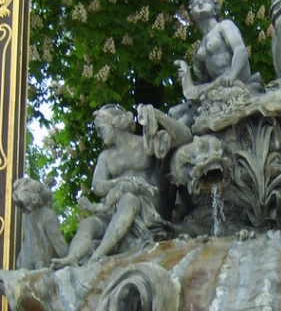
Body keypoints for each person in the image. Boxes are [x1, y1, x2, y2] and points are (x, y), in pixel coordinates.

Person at [52, 104, 190, 266]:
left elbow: (185, 138)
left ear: (115, 124)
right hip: (114, 208)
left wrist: (157, 115)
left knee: (129, 199)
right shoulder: (105, 157)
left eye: (101, 128)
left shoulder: (145, 143)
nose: (98, 134)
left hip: (147, 209)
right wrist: (120, 183)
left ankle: (97, 257)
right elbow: (97, 186)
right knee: (87, 224)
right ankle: (71, 259)